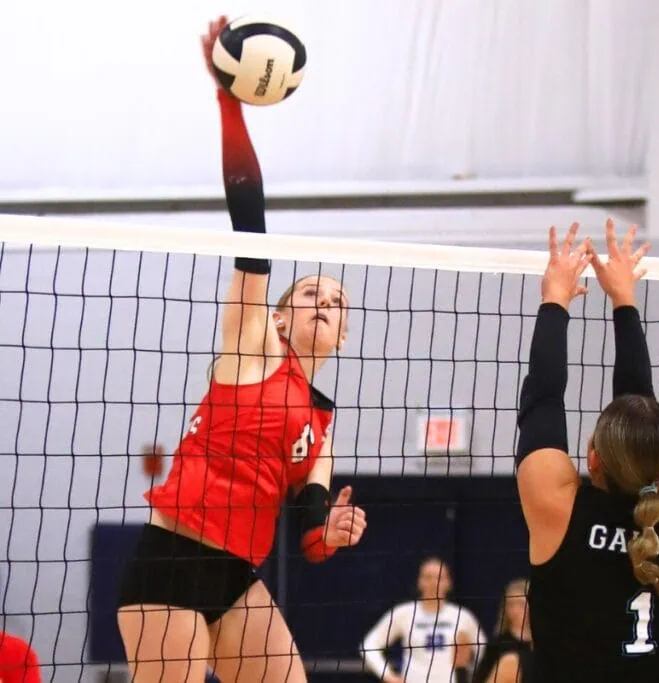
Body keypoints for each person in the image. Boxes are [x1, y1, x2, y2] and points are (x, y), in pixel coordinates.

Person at [115, 16, 368, 683]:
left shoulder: (321, 425)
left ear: (342, 337)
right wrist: (229, 101)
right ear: (280, 319)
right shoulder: (254, 346)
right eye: (312, 292)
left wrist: (332, 533)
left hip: (237, 575)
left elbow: (310, 531)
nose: (326, 304)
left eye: (338, 303)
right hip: (171, 557)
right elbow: (250, 224)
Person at [515, 221, 659, 683]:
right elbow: (639, 416)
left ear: (592, 456)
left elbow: (543, 401)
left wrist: (560, 299)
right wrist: (618, 299)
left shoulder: (559, 510)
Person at [361, 556, 485, 683]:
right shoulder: (404, 613)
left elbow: (484, 653)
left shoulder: (463, 616)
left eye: (440, 578)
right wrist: (388, 675)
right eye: (428, 577)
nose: (434, 583)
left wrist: (471, 677)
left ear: (449, 583)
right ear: (419, 582)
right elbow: (369, 644)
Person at [473, 578, 533, 683]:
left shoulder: (544, 642)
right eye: (511, 604)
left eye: (520, 604)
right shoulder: (497, 645)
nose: (515, 610)